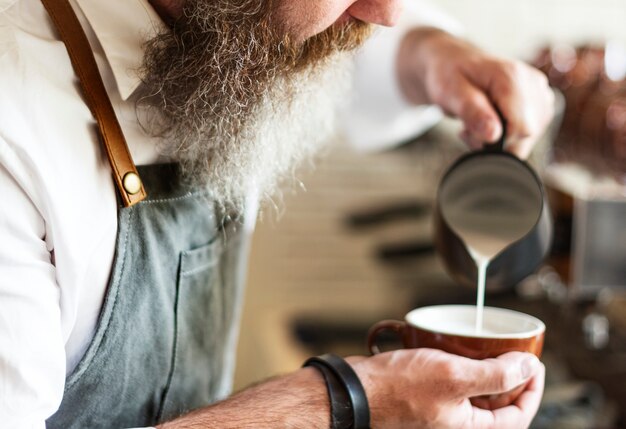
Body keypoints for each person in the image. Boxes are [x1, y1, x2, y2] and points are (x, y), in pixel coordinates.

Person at [0, 0, 554, 428]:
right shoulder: (16, 130)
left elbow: (347, 50)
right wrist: (341, 403)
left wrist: (432, 55)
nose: (386, 14)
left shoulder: (232, 38)